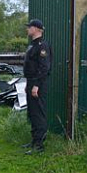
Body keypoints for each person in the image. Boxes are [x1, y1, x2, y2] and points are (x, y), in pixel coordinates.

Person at [22, 19, 52, 154]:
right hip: (31, 82)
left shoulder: (42, 46)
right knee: (32, 113)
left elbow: (44, 68)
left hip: (38, 84)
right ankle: (34, 140)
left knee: (39, 113)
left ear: (37, 29)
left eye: (30, 27)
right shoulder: (33, 45)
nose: (28, 29)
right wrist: (28, 84)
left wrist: (36, 86)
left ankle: (39, 145)